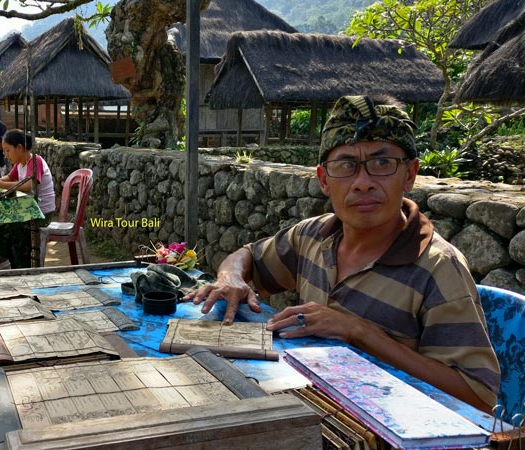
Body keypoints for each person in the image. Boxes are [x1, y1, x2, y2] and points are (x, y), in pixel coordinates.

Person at [185, 95, 501, 413]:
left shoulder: (439, 268)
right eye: (346, 166)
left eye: (382, 163)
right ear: (324, 180)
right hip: (311, 407)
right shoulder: (314, 236)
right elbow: (249, 255)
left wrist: (358, 331)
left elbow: (478, 397)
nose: (363, 183)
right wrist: (231, 277)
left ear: (409, 174)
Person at [0, 129, 56, 268]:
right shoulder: (20, 163)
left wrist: (1, 184)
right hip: (26, 212)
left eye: (7, 150)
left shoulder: (35, 160)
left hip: (41, 214)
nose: (5, 155)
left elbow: (28, 185)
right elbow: (9, 178)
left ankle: (14, 267)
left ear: (19, 147)